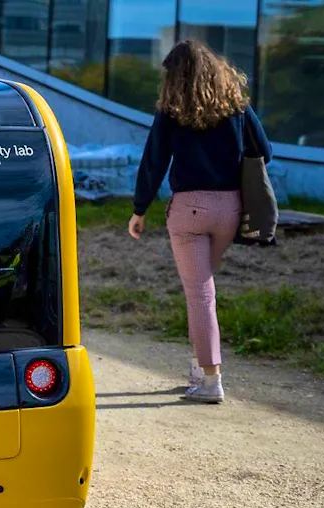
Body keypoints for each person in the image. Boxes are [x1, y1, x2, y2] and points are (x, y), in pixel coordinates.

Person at [129, 39, 272, 404]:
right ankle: (198, 371)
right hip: (231, 211)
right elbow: (264, 151)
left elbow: (154, 161)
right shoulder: (237, 107)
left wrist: (139, 208)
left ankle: (211, 381)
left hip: (190, 212)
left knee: (200, 295)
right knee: (201, 292)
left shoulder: (171, 111)